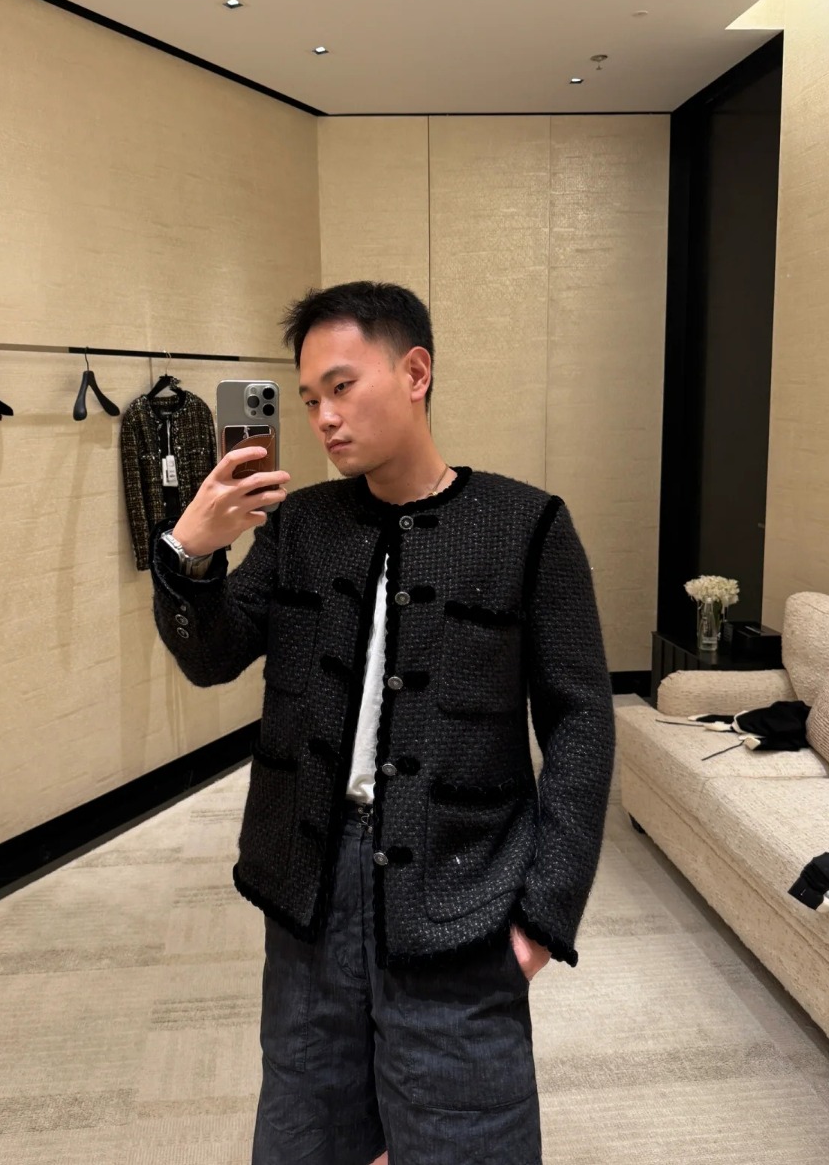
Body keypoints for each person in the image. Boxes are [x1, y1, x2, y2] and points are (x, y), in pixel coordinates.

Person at [149, 281, 616, 1165]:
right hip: (309, 892)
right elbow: (212, 655)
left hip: (459, 891)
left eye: (341, 387)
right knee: (305, 1135)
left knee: (467, 1137)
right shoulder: (299, 525)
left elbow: (581, 723)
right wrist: (191, 552)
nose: (323, 418)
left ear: (415, 372)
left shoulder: (526, 526)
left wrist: (543, 917)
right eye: (307, 400)